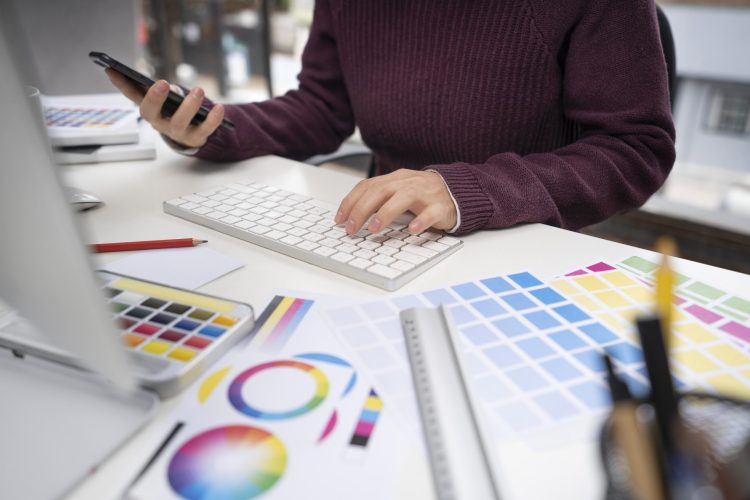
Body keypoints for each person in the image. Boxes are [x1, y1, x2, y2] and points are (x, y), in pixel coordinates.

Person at [107, 0, 675, 238]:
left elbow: (635, 148)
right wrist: (215, 127)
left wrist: (464, 189)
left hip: (519, 242)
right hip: (383, 233)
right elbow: (324, 107)